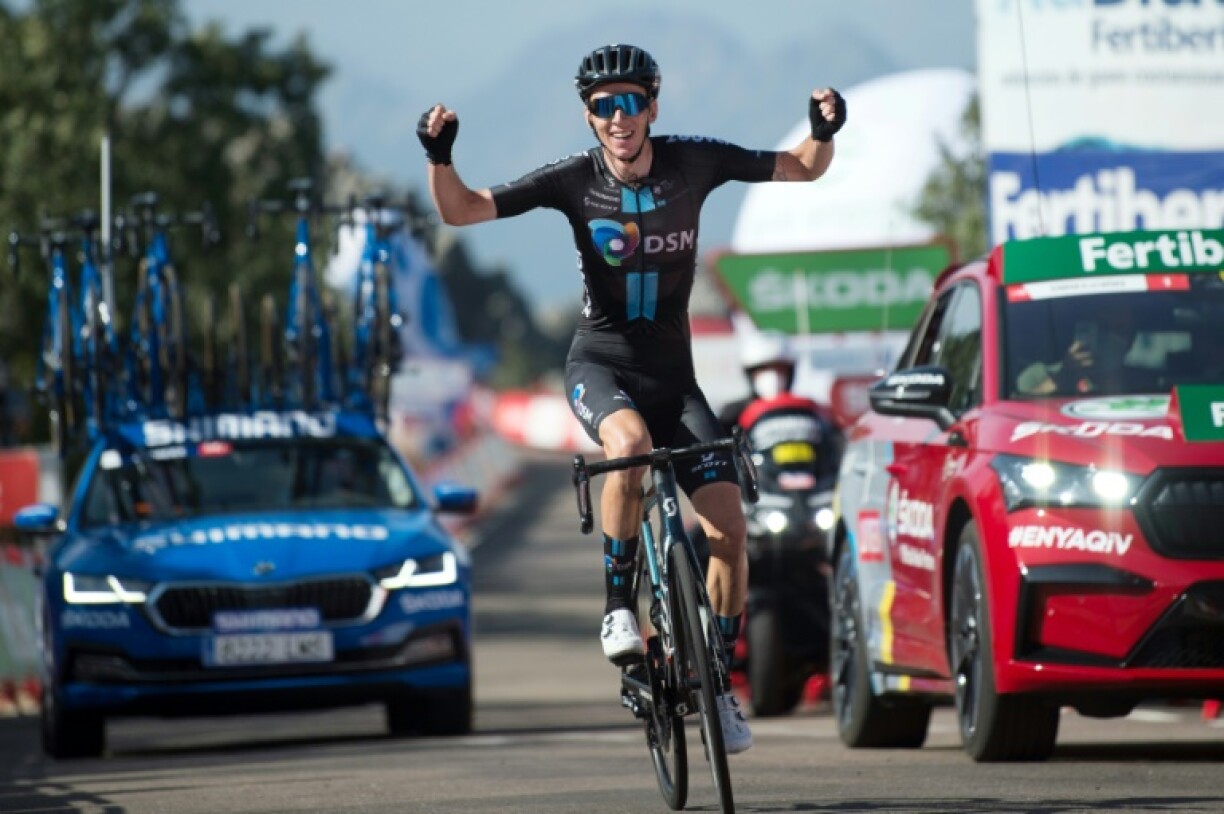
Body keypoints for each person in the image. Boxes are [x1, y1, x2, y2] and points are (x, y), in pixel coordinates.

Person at [416, 43, 846, 754]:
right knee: (628, 448)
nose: (618, 117)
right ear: (588, 118)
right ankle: (619, 607)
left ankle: (716, 681)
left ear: (653, 104)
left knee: (731, 534)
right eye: (602, 106)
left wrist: (823, 131)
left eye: (630, 102)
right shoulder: (571, 181)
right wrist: (440, 156)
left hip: (675, 383)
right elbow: (462, 212)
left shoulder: (694, 163)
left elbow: (798, 166)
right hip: (601, 367)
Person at [1017, 309, 1138, 396]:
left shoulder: (1149, 385)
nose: (1109, 337)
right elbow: (1016, 414)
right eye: (1103, 327)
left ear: (1131, 340)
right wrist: (1064, 376)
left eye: (1119, 330)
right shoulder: (1039, 375)